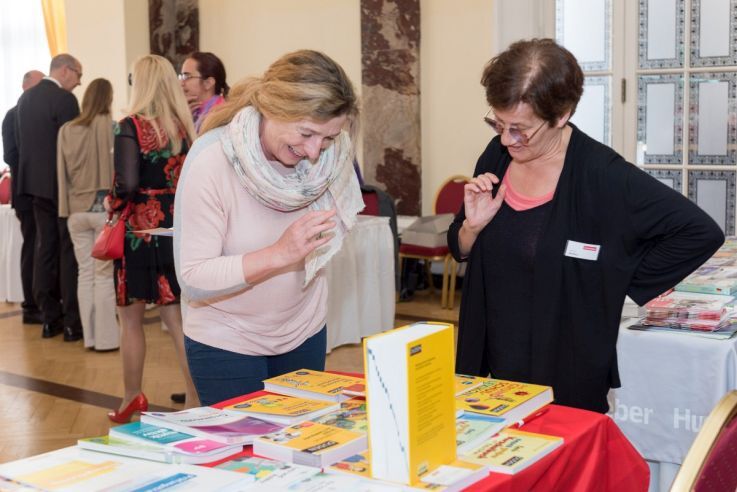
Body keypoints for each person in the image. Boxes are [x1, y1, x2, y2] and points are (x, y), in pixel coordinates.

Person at [448, 38, 724, 414]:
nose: (506, 139)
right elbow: (460, 246)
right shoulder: (496, 155)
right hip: (490, 369)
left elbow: (698, 232)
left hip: (565, 376)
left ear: (561, 115)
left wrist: (613, 278)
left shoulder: (603, 175)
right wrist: (472, 228)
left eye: (520, 129)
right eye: (498, 123)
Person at [174, 49, 362, 406]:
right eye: (306, 133)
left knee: (303, 439)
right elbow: (194, 278)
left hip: (304, 331)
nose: (314, 152)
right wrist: (279, 254)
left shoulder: (330, 158)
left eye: (327, 138)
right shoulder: (213, 159)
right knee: (247, 444)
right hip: (227, 341)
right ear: (274, 108)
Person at [106, 54, 199, 423]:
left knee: (130, 320)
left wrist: (111, 201)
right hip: (175, 229)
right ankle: (194, 399)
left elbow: (127, 184)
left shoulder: (129, 126)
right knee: (177, 320)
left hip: (139, 232)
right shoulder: (183, 128)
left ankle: (132, 397)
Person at [16, 55, 83, 341]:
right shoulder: (65, 99)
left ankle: (48, 318)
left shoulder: (25, 100)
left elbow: (22, 145)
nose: (79, 82)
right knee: (67, 252)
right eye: (78, 75)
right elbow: (73, 148)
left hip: (34, 186)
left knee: (45, 248)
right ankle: (71, 322)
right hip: (61, 187)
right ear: (66, 70)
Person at [57, 78, 119, 352]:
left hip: (76, 211)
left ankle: (89, 337)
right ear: (108, 98)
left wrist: (65, 208)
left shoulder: (66, 130)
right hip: (103, 210)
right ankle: (106, 340)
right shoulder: (113, 128)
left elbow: (62, 174)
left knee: (84, 274)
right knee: (103, 276)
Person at [1, 70, 44, 325]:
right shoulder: (12, 115)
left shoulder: (41, 113)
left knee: (44, 249)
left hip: (43, 193)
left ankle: (47, 300)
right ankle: (31, 305)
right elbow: (10, 156)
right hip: (25, 194)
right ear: (26, 86)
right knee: (32, 247)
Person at [179, 51, 229, 133]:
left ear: (208, 83)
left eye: (187, 76)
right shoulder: (190, 112)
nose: (181, 83)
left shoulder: (221, 116)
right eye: (181, 77)